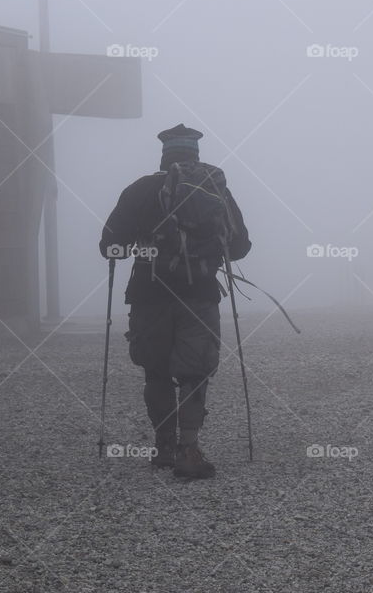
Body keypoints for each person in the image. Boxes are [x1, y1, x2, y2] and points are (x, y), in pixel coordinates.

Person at [99, 123, 251, 479]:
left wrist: (140, 244)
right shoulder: (215, 189)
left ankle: (163, 445)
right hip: (199, 294)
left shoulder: (140, 190)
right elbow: (241, 246)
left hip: (148, 294)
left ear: (164, 154)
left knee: (156, 369)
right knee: (195, 371)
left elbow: (109, 247)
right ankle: (189, 448)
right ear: (195, 154)